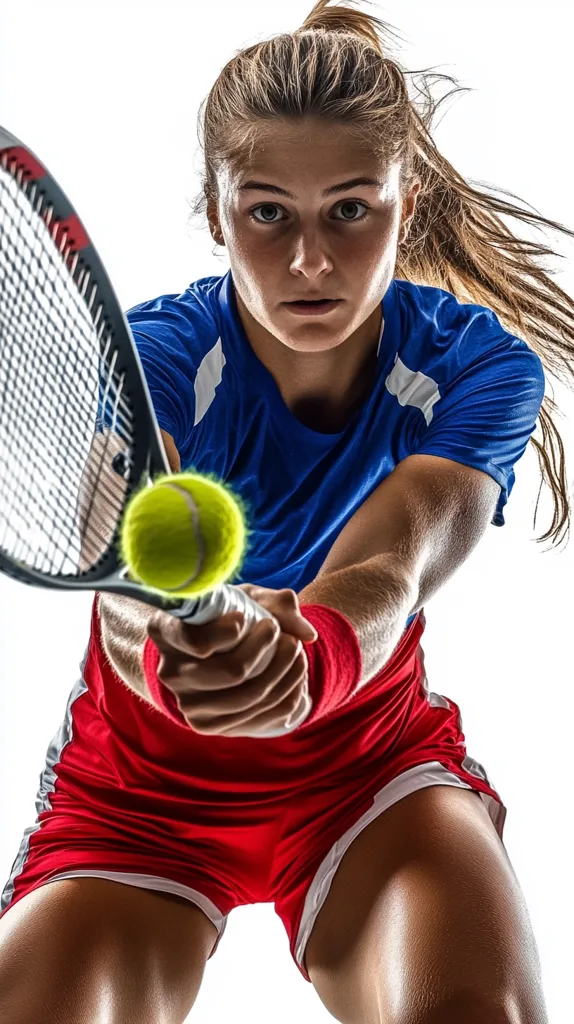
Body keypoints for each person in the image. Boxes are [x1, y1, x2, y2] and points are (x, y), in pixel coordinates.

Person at [1, 2, 571, 1021]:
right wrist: (178, 650)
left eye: (350, 209)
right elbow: (117, 554)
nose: (310, 259)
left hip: (368, 771)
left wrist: (305, 656)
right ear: (216, 214)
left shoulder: (480, 367)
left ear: (408, 202)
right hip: (138, 799)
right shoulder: (160, 355)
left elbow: (393, 561)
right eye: (268, 212)